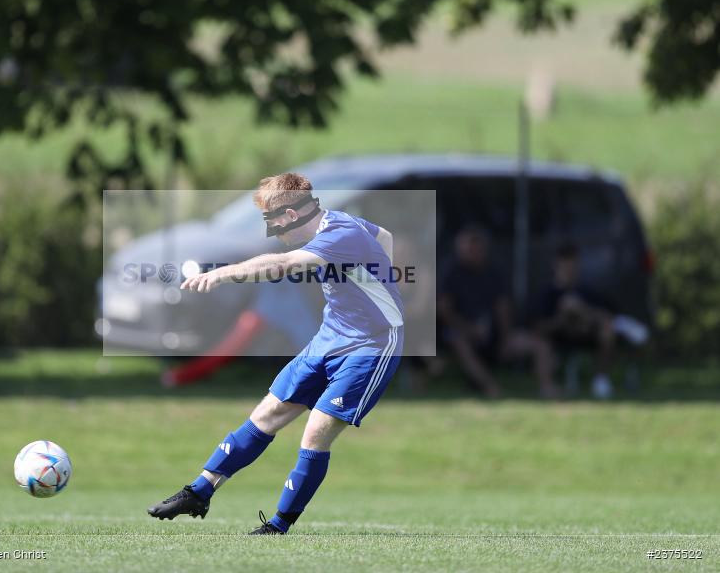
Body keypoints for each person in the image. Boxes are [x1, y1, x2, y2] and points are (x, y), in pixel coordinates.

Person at [147, 172, 404, 534]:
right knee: (268, 412)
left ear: (292, 215)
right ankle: (198, 492)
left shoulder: (339, 233)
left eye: (271, 220)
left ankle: (279, 525)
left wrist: (223, 274)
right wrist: (376, 280)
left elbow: (281, 265)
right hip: (331, 337)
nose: (272, 229)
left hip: (373, 344)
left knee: (316, 430)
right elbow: (384, 237)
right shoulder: (340, 224)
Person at [437, 225, 559, 399]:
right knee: (458, 341)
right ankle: (492, 388)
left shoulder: (494, 273)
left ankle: (547, 387)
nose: (470, 252)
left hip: (496, 335)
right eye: (466, 248)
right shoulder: (450, 273)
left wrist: (506, 335)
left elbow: (503, 307)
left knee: (541, 345)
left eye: (474, 247)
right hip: (462, 333)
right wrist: (470, 329)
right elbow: (444, 310)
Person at [534, 241, 648, 399]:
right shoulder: (548, 294)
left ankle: (600, 380)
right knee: (569, 307)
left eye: (573, 264)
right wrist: (563, 317)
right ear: (557, 265)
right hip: (562, 335)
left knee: (605, 326)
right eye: (566, 264)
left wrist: (582, 309)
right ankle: (622, 324)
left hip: (589, 331)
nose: (570, 268)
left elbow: (608, 313)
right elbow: (540, 327)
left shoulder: (586, 291)